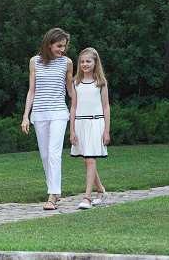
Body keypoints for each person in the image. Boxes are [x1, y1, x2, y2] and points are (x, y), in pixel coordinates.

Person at [21, 28, 75, 211]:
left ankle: (53, 195)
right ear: (49, 44)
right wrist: (25, 116)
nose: (62, 50)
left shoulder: (66, 63)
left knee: (54, 153)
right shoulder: (34, 62)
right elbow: (32, 90)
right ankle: (54, 189)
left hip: (59, 113)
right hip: (39, 113)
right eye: (59, 46)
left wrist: (82, 105)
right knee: (44, 155)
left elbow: (70, 90)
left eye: (64, 47)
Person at [70, 47, 110, 209]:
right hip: (80, 123)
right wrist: (72, 129)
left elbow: (106, 107)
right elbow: (73, 107)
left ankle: (87, 197)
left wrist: (106, 130)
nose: (85, 64)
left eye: (88, 61)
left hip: (96, 123)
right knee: (86, 160)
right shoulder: (76, 83)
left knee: (91, 159)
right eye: (82, 61)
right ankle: (100, 190)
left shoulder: (101, 83)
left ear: (95, 63)